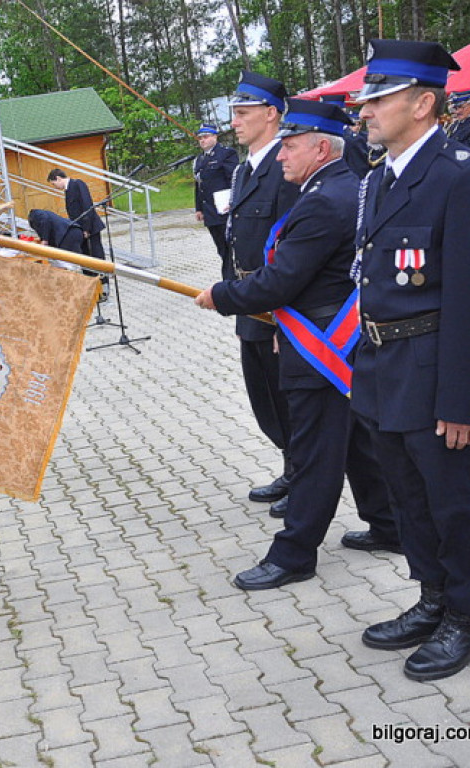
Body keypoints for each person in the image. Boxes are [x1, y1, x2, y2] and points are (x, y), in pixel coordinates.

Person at [196, 99, 394, 589]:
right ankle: (391, 525)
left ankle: (294, 554)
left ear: (321, 147)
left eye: (291, 145)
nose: (282, 155)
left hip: (320, 343)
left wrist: (220, 295)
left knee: (313, 452)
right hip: (340, 337)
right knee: (355, 439)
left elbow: (279, 282)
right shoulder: (347, 187)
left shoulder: (325, 200)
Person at [349, 39, 470, 681]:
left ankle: (463, 616)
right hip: (381, 366)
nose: (364, 110)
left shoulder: (455, 176)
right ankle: (432, 598)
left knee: (453, 503)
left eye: (378, 98)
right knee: (408, 497)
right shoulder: (377, 179)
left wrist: (460, 398)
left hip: (432, 370)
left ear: (423, 103)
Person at [225, 71, 300, 513]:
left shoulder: (284, 168)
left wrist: (280, 316)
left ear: (271, 114)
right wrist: (237, 305)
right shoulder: (244, 169)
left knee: (289, 399)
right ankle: (293, 468)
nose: (235, 121)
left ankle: (305, 478)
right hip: (250, 303)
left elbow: (289, 250)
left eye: (243, 112)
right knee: (265, 398)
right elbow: (235, 240)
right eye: (234, 113)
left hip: (278, 308)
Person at [46, 168, 109, 297]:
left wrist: (86, 228)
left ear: (58, 178)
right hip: (81, 230)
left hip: (90, 228)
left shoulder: (77, 184)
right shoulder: (67, 190)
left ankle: (104, 287)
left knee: (97, 256)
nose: (55, 187)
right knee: (84, 258)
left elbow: (87, 206)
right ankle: (91, 287)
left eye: (54, 184)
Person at [192, 123, 239, 280]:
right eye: (200, 138)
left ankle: (230, 279)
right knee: (221, 247)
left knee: (229, 248)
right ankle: (231, 277)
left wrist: (234, 201)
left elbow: (234, 180)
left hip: (224, 208)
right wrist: (198, 208)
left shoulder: (226, 154)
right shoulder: (199, 160)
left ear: (215, 137)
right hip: (210, 211)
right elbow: (199, 185)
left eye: (206, 137)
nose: (202, 141)